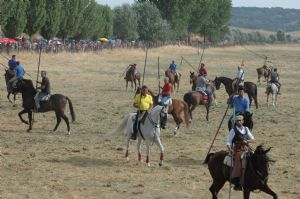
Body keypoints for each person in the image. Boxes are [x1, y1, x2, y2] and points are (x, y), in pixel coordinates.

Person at [226, 114, 255, 191]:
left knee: (255, 156)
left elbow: (253, 139)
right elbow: (228, 141)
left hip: (246, 148)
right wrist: (230, 149)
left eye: (240, 121)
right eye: (237, 121)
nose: (239, 122)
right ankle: (237, 180)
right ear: (236, 122)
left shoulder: (246, 129)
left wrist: (247, 141)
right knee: (240, 158)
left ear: (243, 121)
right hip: (237, 149)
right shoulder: (233, 130)